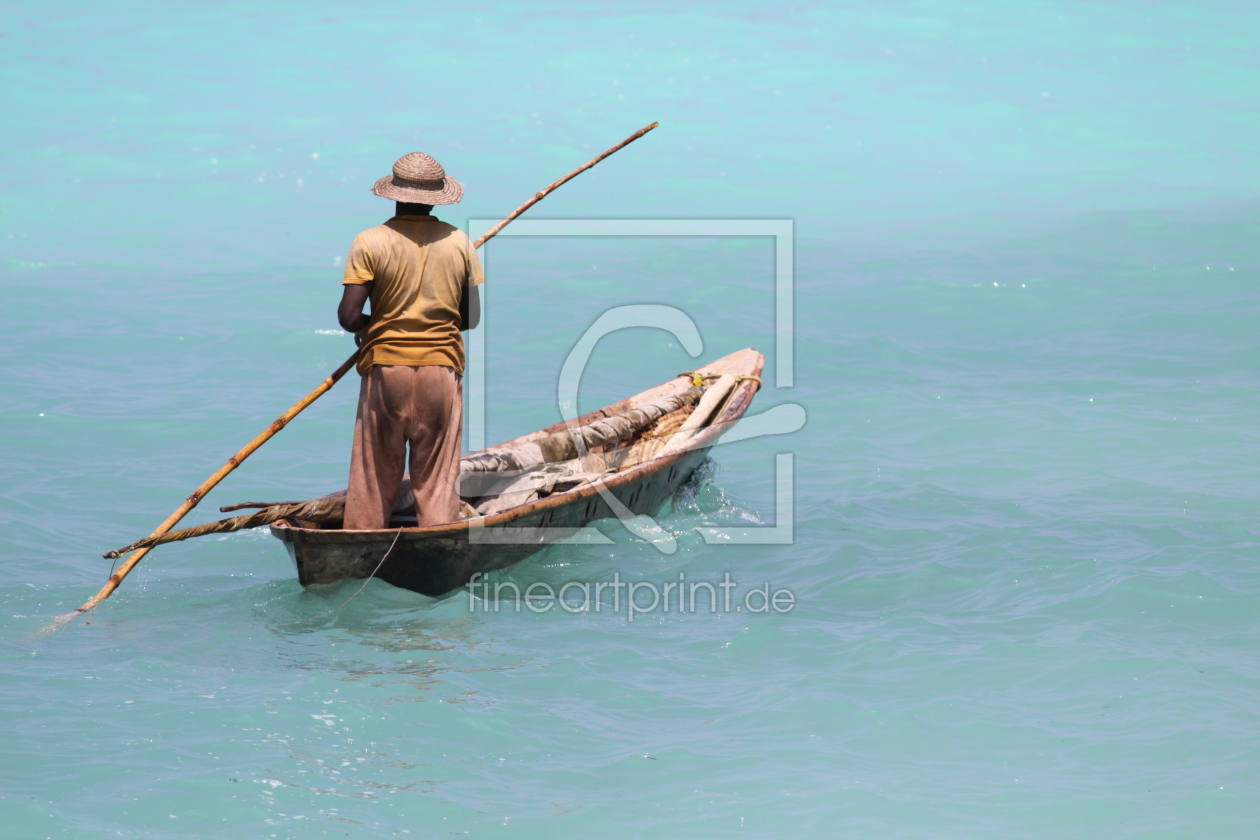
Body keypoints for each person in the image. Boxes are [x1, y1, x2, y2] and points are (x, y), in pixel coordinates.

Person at [336, 151, 483, 530]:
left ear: (394, 194)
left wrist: (374, 325)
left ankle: (361, 548)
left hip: (387, 372)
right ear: (437, 198)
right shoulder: (459, 242)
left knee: (374, 477)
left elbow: (349, 317)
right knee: (435, 481)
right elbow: (470, 318)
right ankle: (435, 545)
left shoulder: (370, 241)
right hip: (441, 370)